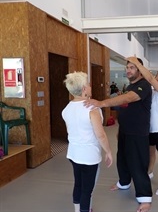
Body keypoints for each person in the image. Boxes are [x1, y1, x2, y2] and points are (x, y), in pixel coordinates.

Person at [84, 57, 152, 212]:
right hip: (125, 131)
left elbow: (130, 98)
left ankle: (145, 198)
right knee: (122, 160)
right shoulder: (130, 86)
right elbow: (126, 105)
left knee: (138, 165)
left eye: (132, 68)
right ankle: (124, 182)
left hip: (138, 133)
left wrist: (102, 103)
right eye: (127, 68)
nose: (128, 70)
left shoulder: (144, 85)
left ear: (140, 70)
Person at [61, 71, 113, 212]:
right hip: (89, 157)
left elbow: (69, 132)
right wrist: (108, 152)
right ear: (84, 89)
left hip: (73, 154)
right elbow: (100, 135)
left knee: (78, 184)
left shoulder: (66, 109)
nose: (90, 86)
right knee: (87, 191)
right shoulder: (92, 109)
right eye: (88, 84)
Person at [127, 57, 158, 195]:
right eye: (156, 76)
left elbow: (149, 78)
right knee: (150, 154)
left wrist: (136, 63)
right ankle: (150, 172)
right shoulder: (151, 92)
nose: (156, 78)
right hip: (150, 129)